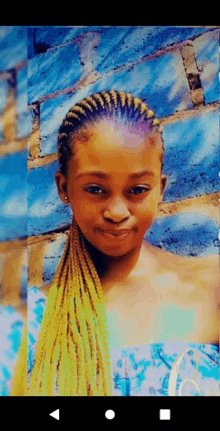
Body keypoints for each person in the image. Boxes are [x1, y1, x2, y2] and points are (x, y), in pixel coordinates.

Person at [26, 90, 219, 396]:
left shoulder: (213, 287)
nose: (117, 212)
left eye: (138, 189)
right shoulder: (28, 322)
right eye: (95, 188)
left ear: (160, 189)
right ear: (64, 188)